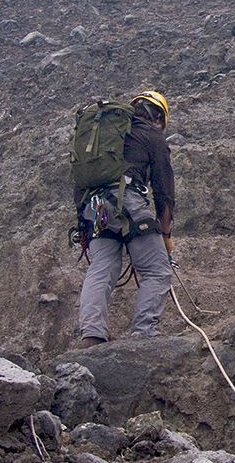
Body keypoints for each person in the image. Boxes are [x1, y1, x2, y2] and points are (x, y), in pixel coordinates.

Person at [77, 91, 175, 345]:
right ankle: (143, 332)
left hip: (95, 208)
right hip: (128, 200)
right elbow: (164, 192)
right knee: (156, 269)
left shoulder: (107, 135)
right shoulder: (152, 136)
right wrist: (165, 236)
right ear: (159, 118)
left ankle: (92, 335)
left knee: (101, 269)